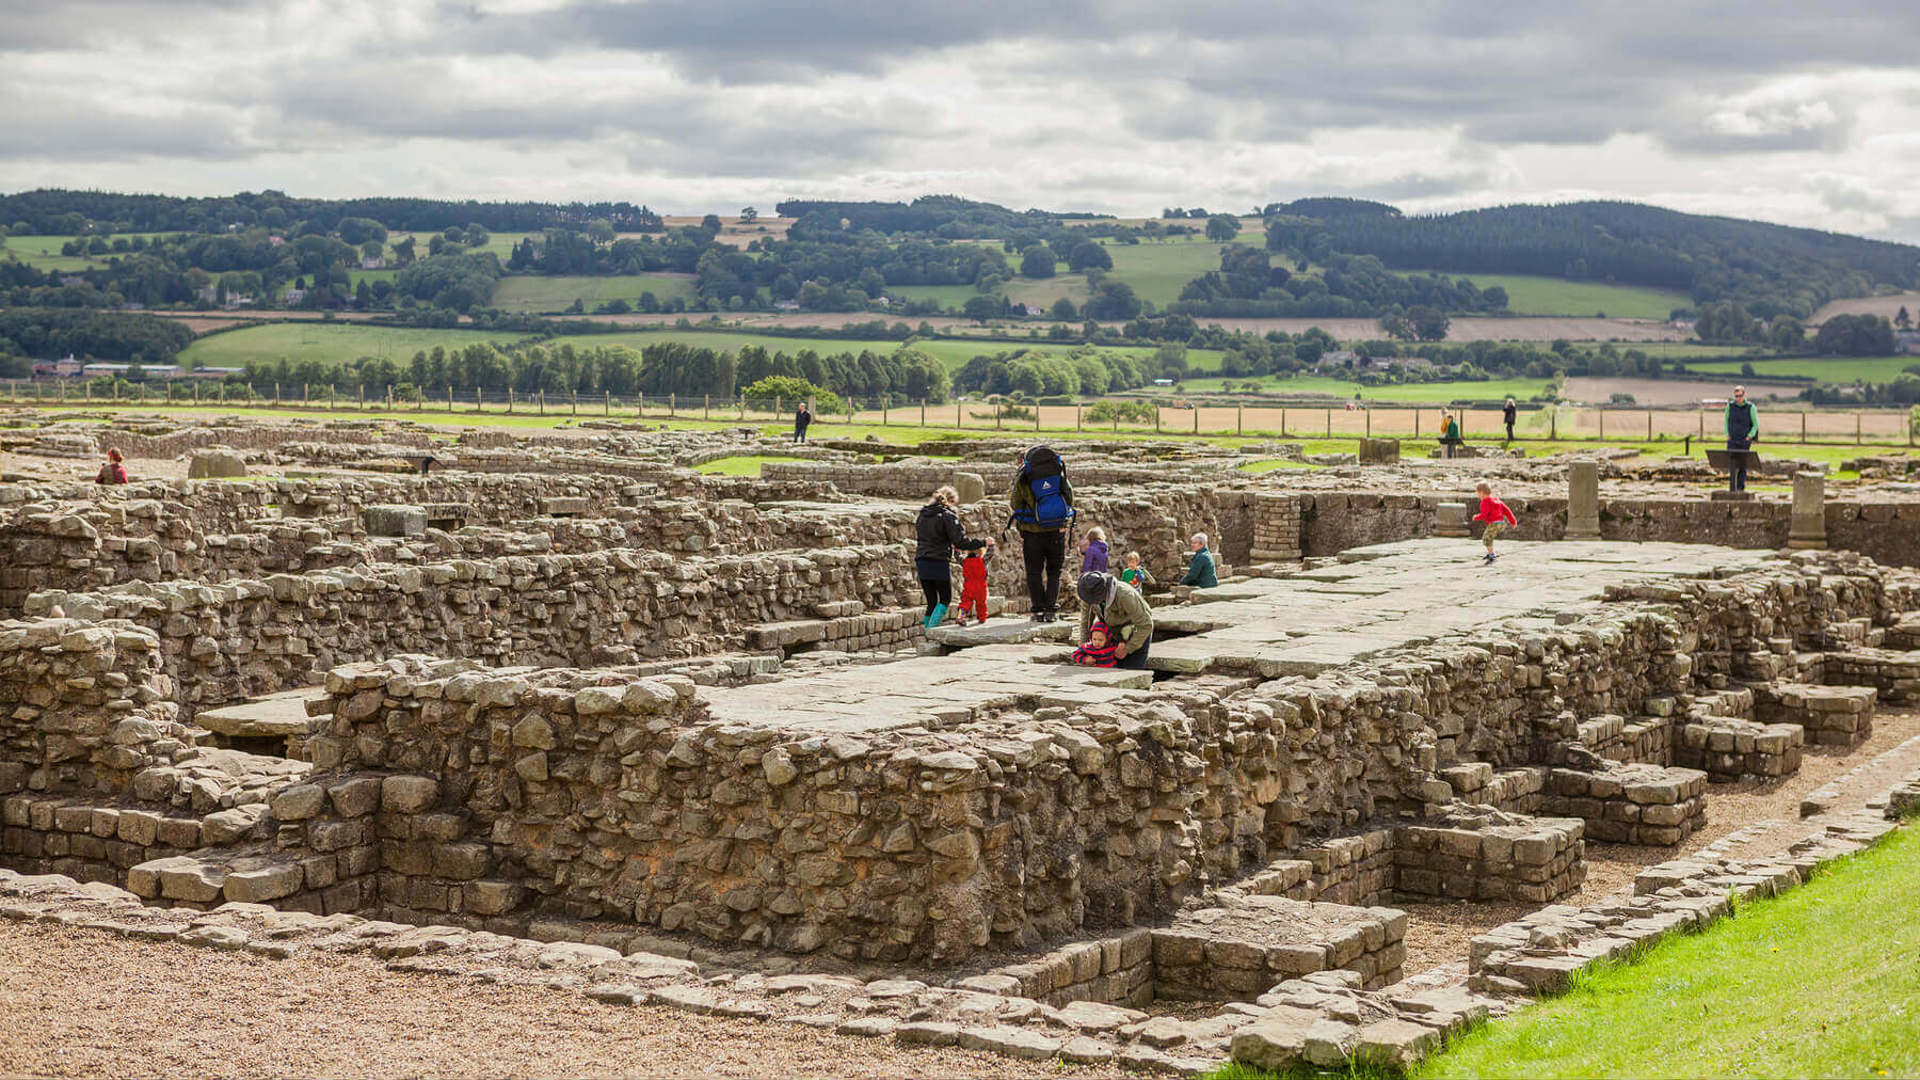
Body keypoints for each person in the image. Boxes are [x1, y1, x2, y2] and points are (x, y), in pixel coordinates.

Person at [1007, 445, 1075, 622]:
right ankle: (1051, 610)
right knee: (1054, 572)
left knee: (1034, 572)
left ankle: (1037, 610)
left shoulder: (1024, 476)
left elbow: (1015, 504)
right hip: (1056, 530)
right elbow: (1069, 496)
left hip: (1032, 533)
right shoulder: (1056, 472)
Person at [915, 486, 989, 630]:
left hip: (921, 560)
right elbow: (960, 541)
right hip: (938, 561)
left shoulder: (923, 514)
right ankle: (930, 632)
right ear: (951, 501)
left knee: (931, 601)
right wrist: (983, 542)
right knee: (944, 599)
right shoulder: (948, 516)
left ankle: (926, 634)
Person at [1075, 572, 1153, 670]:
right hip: (1112, 634)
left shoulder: (1125, 595)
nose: (1088, 602)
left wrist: (1128, 648)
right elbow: (1085, 624)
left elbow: (1146, 624)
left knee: (1130, 673)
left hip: (1136, 632)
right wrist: (1084, 651)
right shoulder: (1088, 593)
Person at [1472, 481, 1519, 564]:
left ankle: (1491, 554)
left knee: (1486, 538)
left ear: (1482, 493)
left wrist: (1476, 517)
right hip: (1501, 523)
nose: (1478, 495)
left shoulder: (1485, 502)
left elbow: (1484, 514)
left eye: (1478, 493)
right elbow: (1507, 510)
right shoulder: (1496, 500)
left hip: (1494, 523)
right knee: (1490, 537)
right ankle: (1490, 553)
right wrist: (1513, 521)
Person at [1725, 385, 1758, 492]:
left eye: (1740, 396)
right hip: (1732, 439)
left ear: (1744, 395)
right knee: (1732, 465)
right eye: (1736, 396)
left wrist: (1749, 436)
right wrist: (1727, 434)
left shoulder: (1751, 407)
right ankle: (1732, 487)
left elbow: (1755, 424)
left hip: (1744, 440)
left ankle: (1740, 488)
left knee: (1743, 465)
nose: (1738, 398)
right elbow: (1726, 421)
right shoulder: (1730, 406)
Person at [955, 544, 992, 626]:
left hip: (968, 585)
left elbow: (957, 556)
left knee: (965, 603)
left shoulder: (964, 561)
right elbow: (990, 554)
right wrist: (991, 546)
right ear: (980, 551)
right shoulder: (982, 560)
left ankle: (960, 616)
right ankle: (982, 618)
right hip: (980, 586)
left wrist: (956, 549)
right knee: (981, 604)